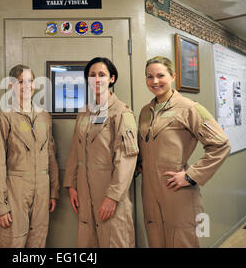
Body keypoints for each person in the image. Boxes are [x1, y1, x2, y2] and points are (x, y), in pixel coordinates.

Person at [137, 56, 231, 248]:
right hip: (149, 193)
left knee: (182, 242)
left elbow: (221, 144)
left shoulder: (189, 108)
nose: (155, 81)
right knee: (155, 240)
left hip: (178, 192)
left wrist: (191, 175)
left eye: (160, 75)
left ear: (172, 76)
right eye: (149, 76)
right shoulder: (145, 112)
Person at [63, 57, 139, 248]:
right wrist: (71, 185)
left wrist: (112, 197)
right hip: (85, 195)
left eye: (102, 75)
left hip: (110, 195)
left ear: (112, 79)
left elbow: (127, 159)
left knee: (114, 241)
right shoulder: (84, 113)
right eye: (92, 75)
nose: (97, 79)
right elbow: (75, 150)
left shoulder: (121, 113)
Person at [0, 64, 60, 248]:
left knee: (38, 242)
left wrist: (53, 191)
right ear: (11, 85)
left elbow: (51, 155)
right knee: (12, 242)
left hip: (42, 192)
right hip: (15, 192)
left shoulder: (44, 117)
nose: (27, 86)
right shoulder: (3, 118)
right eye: (21, 82)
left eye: (30, 81)